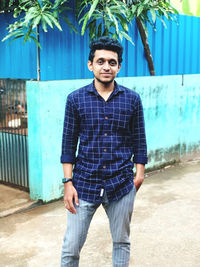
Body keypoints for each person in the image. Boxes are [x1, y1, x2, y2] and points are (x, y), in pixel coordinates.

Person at [60, 36, 148, 267]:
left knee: (121, 242)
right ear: (91, 65)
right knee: (71, 248)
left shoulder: (132, 100)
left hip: (120, 183)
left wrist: (139, 174)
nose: (106, 66)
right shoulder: (75, 100)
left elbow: (139, 139)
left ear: (119, 66)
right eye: (100, 61)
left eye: (112, 62)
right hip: (83, 185)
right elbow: (68, 144)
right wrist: (68, 182)